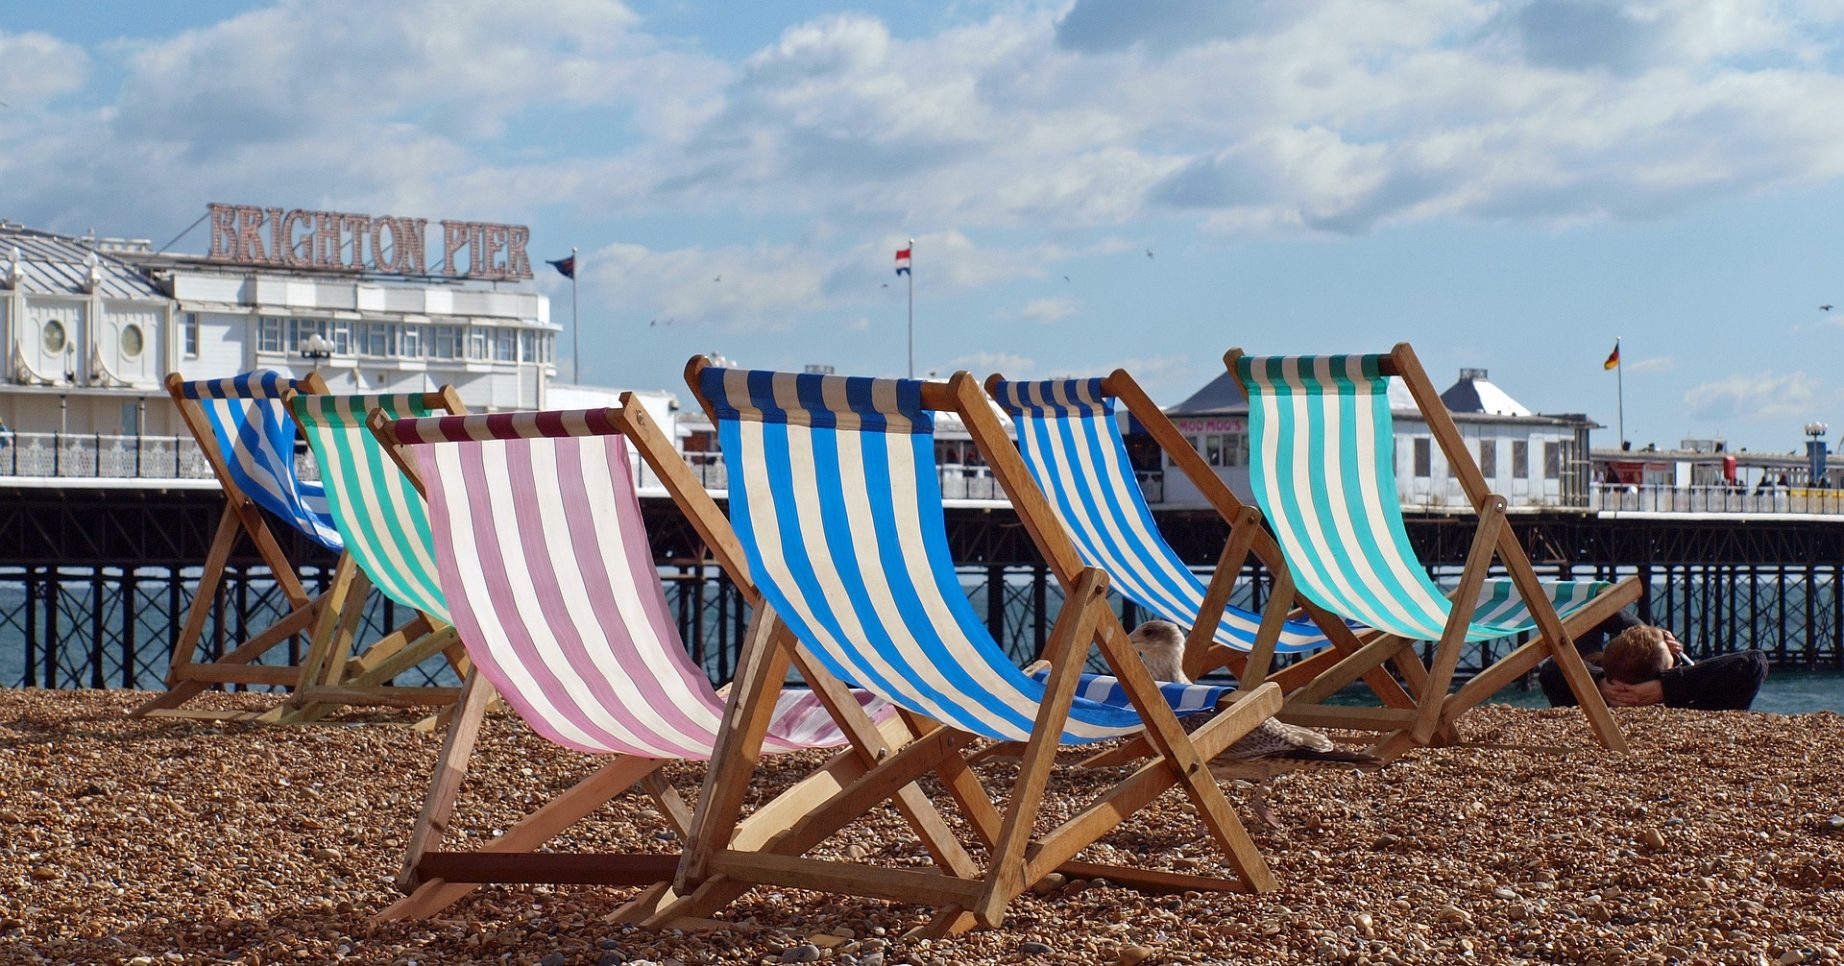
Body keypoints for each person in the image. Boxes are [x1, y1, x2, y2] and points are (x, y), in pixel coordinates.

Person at [1536, 609, 1767, 711]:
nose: (1678, 661)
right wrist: (1667, 687)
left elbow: (1552, 669)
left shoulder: (1582, 701)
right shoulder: (1696, 709)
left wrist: (1597, 683)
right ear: (1662, 675)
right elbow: (1754, 662)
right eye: (1674, 662)